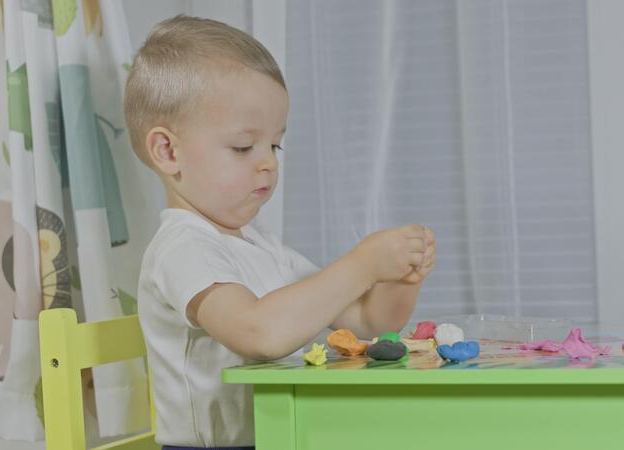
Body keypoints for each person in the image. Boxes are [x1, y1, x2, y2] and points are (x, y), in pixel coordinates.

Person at [124, 15, 435, 450]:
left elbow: (370, 320)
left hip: (282, 437)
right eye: (243, 147)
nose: (269, 162)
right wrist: (363, 264)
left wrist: (400, 276)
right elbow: (260, 334)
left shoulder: (261, 246)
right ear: (168, 151)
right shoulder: (182, 248)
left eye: (275, 145)